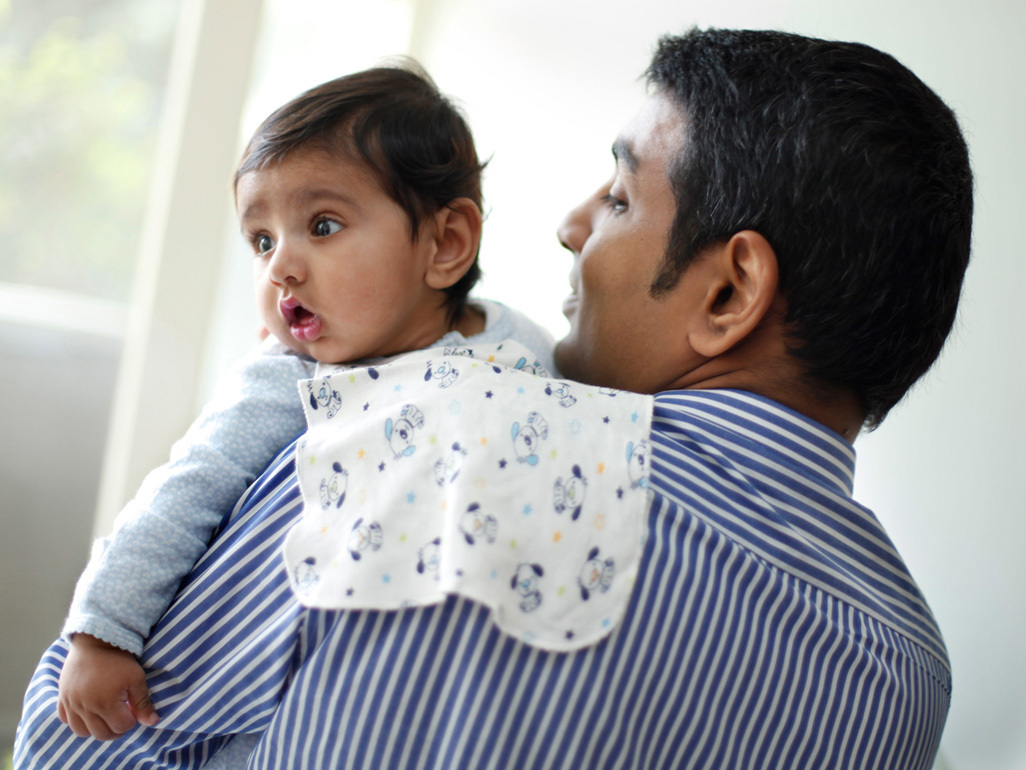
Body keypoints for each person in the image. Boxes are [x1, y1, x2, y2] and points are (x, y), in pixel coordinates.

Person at [15, 27, 972, 770]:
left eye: (624, 199)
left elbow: (81, 738)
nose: (570, 225)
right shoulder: (908, 677)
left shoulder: (431, 430)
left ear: (729, 293)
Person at [44, 64, 556, 743]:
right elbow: (188, 487)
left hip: (442, 665)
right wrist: (102, 632)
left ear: (446, 244)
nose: (280, 265)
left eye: (321, 224)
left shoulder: (519, 345)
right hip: (283, 685)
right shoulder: (287, 375)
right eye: (261, 240)